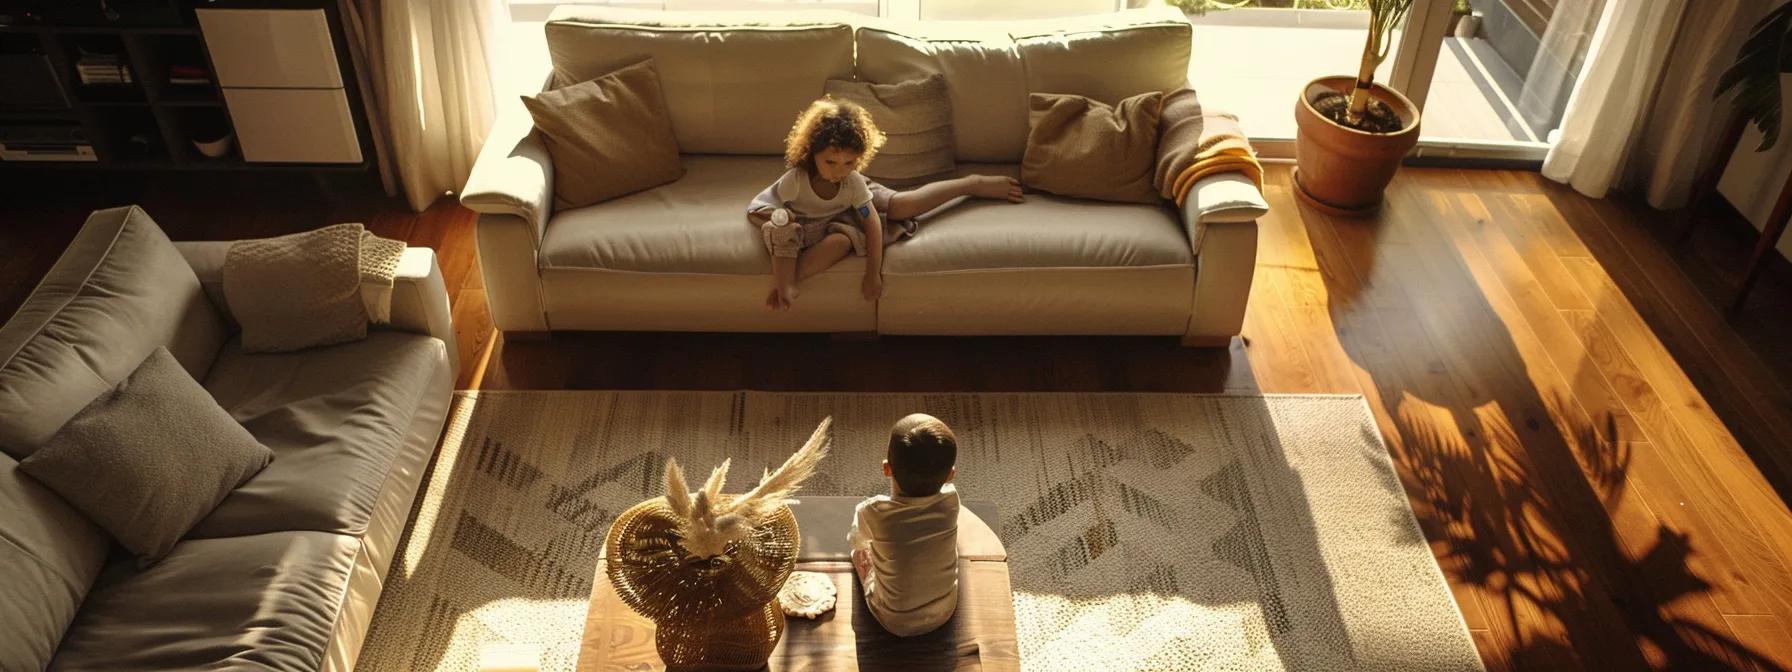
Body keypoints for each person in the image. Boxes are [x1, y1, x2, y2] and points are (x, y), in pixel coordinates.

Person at [748, 98, 1024, 311]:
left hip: (853, 197)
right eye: (830, 162)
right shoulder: (796, 180)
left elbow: (872, 223)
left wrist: (873, 274)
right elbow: (759, 210)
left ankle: (971, 184)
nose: (837, 170)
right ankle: (788, 286)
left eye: (849, 162)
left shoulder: (850, 180)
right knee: (813, 238)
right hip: (810, 222)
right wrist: (780, 222)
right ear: (811, 154)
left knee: (901, 206)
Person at [847, 413, 962, 637]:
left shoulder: (872, 512)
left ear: (887, 468)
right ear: (950, 475)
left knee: (859, 553)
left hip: (894, 620)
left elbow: (856, 540)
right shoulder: (952, 502)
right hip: (945, 609)